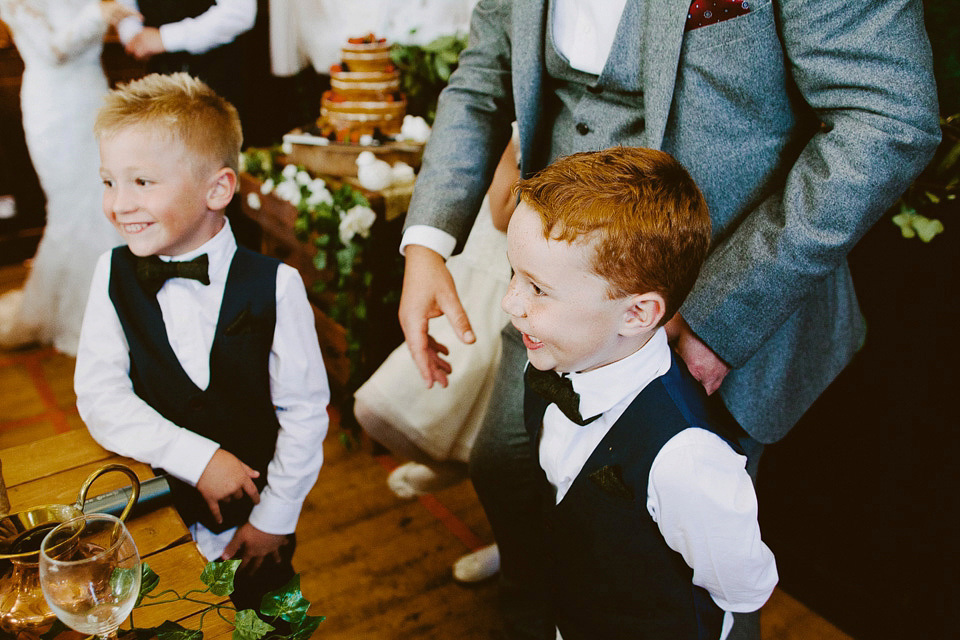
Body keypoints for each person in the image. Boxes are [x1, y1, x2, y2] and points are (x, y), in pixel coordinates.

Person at [397, 0, 941, 637]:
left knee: (677, 560)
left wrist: (722, 310)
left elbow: (888, 116)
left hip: (716, 298)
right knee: (508, 470)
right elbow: (484, 76)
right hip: (557, 297)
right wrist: (427, 241)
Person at [74, 73, 330, 611]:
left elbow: (304, 413)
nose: (119, 204)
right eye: (108, 182)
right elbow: (101, 397)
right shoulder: (111, 273)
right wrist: (197, 457)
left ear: (218, 189)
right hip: (151, 525)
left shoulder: (275, 286)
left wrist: (274, 519)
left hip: (256, 530)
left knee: (264, 619)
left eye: (142, 182)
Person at [504, 146, 777, 639]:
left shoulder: (685, 459)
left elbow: (744, 588)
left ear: (637, 314)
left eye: (538, 289)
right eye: (513, 275)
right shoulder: (549, 360)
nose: (510, 303)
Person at [354, 136, 518, 583]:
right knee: (404, 399)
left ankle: (509, 542)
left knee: (511, 442)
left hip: (529, 279)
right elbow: (503, 212)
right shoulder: (518, 120)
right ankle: (453, 466)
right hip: (482, 267)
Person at [0, 0, 135, 355]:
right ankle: (87, 317)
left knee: (107, 197)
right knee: (73, 207)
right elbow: (52, 49)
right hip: (55, 108)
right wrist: (98, 14)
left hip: (93, 95)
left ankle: (124, 307)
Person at [114, 0, 256, 126]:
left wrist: (165, 38)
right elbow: (125, 6)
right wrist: (133, 35)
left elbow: (239, 12)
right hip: (157, 77)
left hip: (215, 74)